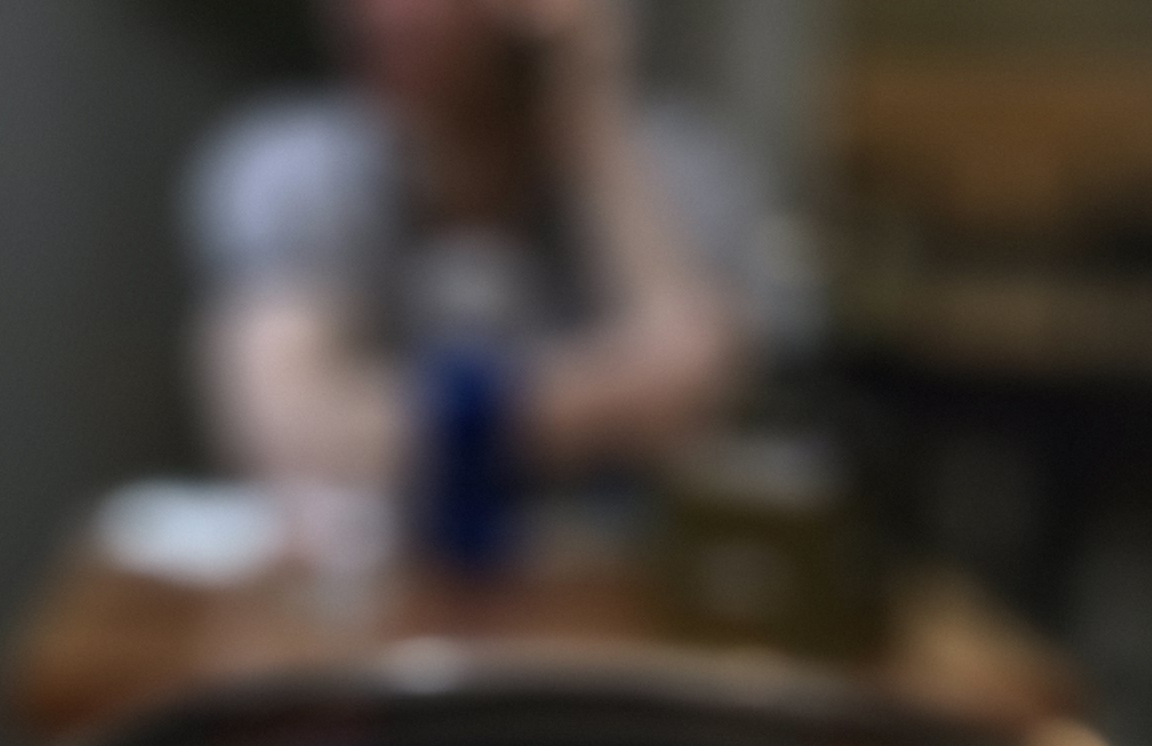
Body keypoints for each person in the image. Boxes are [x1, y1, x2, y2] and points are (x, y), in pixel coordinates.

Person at [187, 0, 770, 499]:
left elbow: (696, 399)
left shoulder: (675, 171)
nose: (388, 15)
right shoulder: (295, 166)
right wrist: (608, 407)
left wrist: (588, 109)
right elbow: (291, 434)